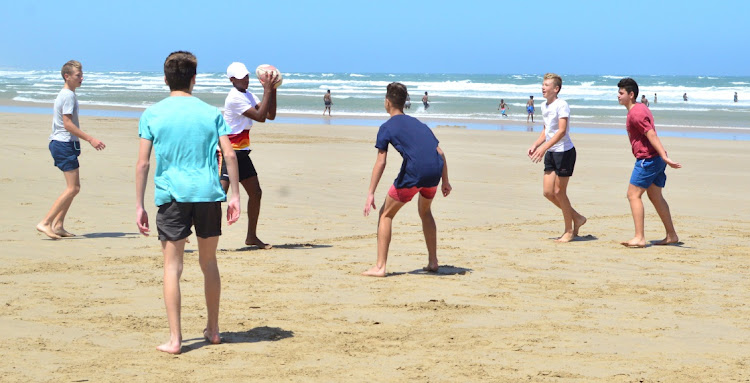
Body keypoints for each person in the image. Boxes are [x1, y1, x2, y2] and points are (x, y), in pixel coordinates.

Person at [135, 51, 241, 354]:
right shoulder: (210, 112)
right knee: (209, 263)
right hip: (208, 195)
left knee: (172, 267)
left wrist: (139, 204)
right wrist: (234, 195)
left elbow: (143, 164)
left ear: (166, 79)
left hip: (172, 197)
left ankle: (176, 339)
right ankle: (214, 329)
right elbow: (230, 155)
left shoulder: (152, 114)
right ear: (194, 79)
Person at [362, 82, 451, 277]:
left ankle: (380, 267)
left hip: (415, 172)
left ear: (387, 102)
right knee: (425, 211)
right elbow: (440, 152)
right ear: (403, 103)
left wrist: (370, 193)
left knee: (386, 214)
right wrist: (445, 181)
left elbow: (381, 162)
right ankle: (433, 261)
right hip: (434, 171)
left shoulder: (386, 127)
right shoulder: (419, 123)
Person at [36, 60, 106, 240]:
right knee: (73, 188)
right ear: (67, 76)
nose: (82, 78)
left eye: (82, 75)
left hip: (65, 143)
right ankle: (45, 222)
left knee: (74, 187)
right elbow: (67, 124)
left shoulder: (69, 94)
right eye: (78, 75)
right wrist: (91, 139)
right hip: (63, 143)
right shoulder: (67, 95)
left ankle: (58, 225)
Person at [617, 78, 681, 248]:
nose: (618, 96)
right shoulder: (640, 108)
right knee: (655, 196)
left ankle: (639, 237)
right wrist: (663, 157)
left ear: (631, 95)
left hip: (648, 160)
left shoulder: (636, 112)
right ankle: (671, 235)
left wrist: (664, 156)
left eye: (621, 93)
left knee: (633, 195)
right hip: (656, 159)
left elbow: (650, 134)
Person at [221, 62, 278, 249]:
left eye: (246, 75)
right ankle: (187, 228)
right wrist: (267, 90)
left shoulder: (248, 94)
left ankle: (251, 236)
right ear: (232, 80)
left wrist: (273, 90)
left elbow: (270, 115)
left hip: (242, 152)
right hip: (229, 152)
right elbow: (260, 117)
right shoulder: (234, 98)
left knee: (256, 193)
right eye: (240, 77)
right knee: (218, 195)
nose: (245, 79)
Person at [527, 73, 586, 243]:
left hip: (564, 152)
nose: (543, 87)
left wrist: (544, 147)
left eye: (546, 85)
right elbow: (547, 130)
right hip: (551, 152)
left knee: (560, 192)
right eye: (543, 84)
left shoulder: (562, 105)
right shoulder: (544, 106)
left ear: (556, 89)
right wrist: (536, 144)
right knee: (548, 192)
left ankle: (568, 231)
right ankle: (577, 217)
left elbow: (561, 131)